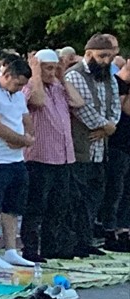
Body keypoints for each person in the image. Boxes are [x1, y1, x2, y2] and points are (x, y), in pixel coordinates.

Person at [21, 50, 83, 260]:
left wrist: (63, 77)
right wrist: (36, 74)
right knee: (36, 205)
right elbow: (37, 101)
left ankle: (51, 246)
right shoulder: (30, 86)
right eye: (48, 68)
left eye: (55, 67)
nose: (52, 72)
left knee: (59, 204)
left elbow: (78, 102)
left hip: (63, 156)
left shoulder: (58, 86)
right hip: (40, 156)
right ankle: (30, 248)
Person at [64, 34, 121, 252]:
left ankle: (86, 241)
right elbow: (82, 108)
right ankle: (76, 242)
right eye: (102, 55)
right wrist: (105, 126)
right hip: (82, 146)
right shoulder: (75, 76)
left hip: (101, 148)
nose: (106, 60)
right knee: (77, 198)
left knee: (95, 196)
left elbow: (114, 105)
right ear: (89, 54)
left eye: (109, 56)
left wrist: (110, 125)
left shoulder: (109, 78)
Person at [0, 58, 35, 270]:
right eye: (17, 83)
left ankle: (11, 250)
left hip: (16, 158)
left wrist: (28, 136)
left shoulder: (18, 95)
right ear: (7, 75)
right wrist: (20, 140)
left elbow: (26, 118)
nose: (19, 88)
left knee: (12, 207)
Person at [102, 57, 130, 251]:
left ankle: (124, 228)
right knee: (115, 189)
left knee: (126, 190)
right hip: (117, 144)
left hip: (127, 145)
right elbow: (124, 109)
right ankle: (111, 230)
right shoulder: (117, 83)